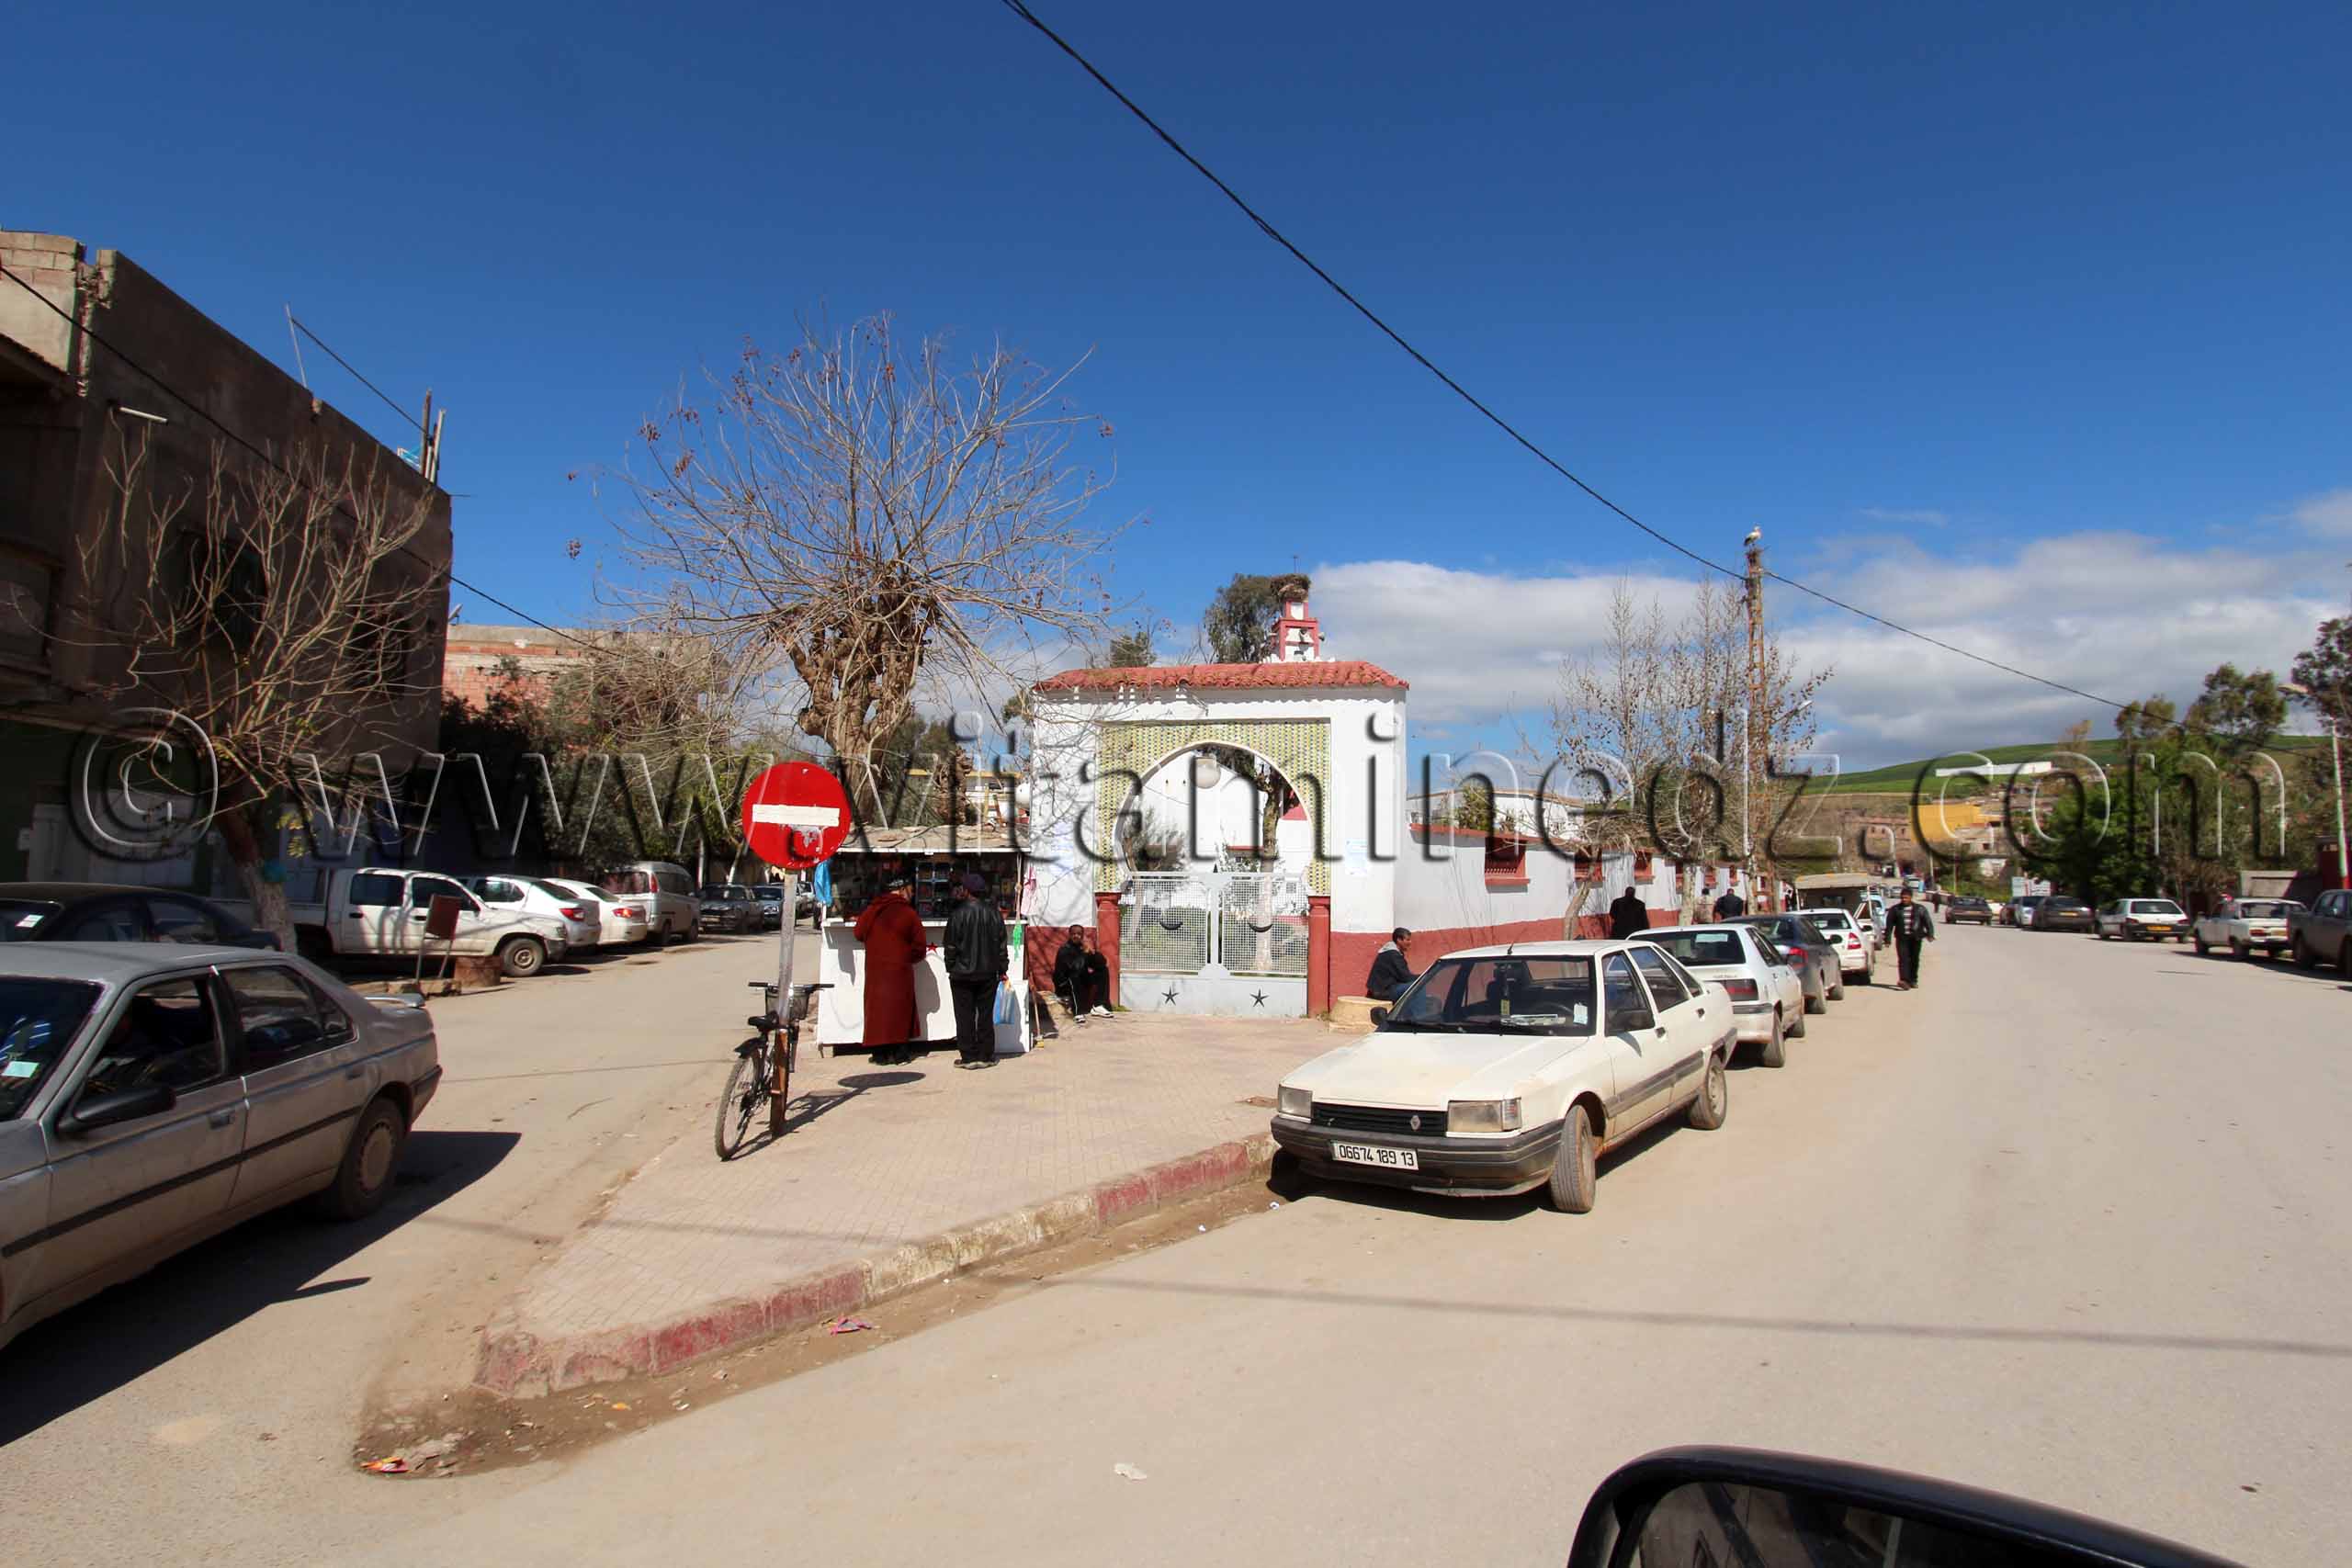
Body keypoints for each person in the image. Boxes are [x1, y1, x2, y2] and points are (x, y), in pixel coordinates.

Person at [853, 874, 928, 1065]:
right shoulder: (908, 913)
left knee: (878, 1010)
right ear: (902, 889)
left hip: (876, 969)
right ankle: (900, 1054)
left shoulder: (872, 909)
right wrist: (905, 958)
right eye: (910, 890)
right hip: (900, 971)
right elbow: (920, 946)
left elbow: (859, 933)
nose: (912, 894)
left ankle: (880, 1054)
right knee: (900, 1010)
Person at [944, 872, 1009, 1068]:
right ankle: (986, 1055)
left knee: (964, 1015)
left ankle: (968, 1056)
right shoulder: (994, 914)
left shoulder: (957, 914)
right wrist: (1002, 968)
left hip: (962, 974)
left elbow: (950, 945)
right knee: (985, 1014)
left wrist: (951, 966)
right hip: (988, 973)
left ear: (966, 891)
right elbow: (1001, 946)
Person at [1053, 924, 1112, 1022]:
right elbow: (1074, 968)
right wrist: (1084, 954)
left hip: (1081, 981)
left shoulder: (1083, 948)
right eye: (1073, 934)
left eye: (1079, 934)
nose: (1076, 936)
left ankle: (1098, 1005)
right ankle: (1078, 1012)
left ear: (1082, 935)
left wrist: (1093, 953)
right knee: (1074, 977)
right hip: (1064, 984)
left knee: (1103, 970)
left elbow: (1101, 964)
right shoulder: (1064, 950)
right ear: (1070, 935)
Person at [1887, 886, 1936, 989]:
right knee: (1903, 959)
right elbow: (1889, 925)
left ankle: (1913, 980)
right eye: (1902, 898)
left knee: (1914, 960)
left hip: (1916, 938)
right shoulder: (1895, 909)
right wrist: (1887, 939)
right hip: (1902, 938)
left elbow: (1928, 922)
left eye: (1906, 898)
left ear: (1911, 898)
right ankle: (1904, 980)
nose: (1904, 900)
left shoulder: (1920, 909)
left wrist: (1930, 934)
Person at [1366, 928, 1417, 1000]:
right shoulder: (1393, 955)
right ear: (1399, 940)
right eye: (1408, 940)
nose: (1410, 942)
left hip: (1383, 989)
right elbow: (1406, 978)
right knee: (1417, 986)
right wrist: (1424, 977)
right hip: (1382, 992)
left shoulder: (1391, 952)